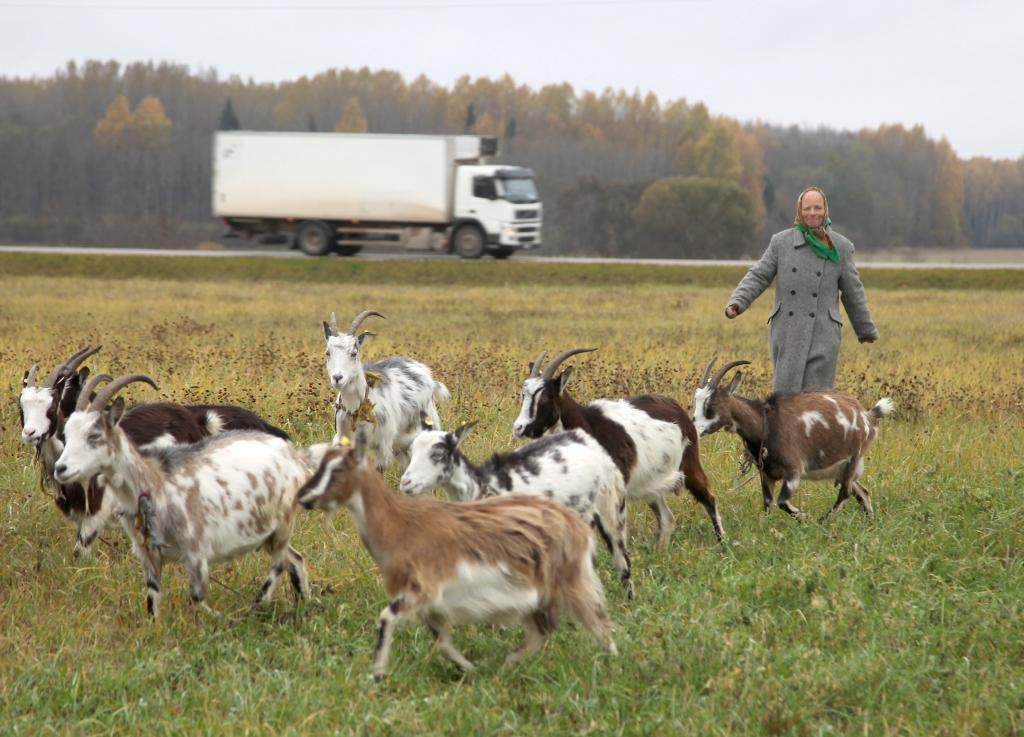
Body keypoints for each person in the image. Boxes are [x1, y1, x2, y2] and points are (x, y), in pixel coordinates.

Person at [724, 186, 878, 394]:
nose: (812, 213)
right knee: (785, 400)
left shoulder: (840, 247)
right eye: (807, 208)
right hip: (788, 331)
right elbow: (758, 275)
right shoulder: (781, 243)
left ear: (825, 211)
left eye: (817, 208)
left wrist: (865, 329)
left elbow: (853, 292)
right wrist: (737, 302)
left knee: (816, 401)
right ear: (799, 211)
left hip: (824, 333)